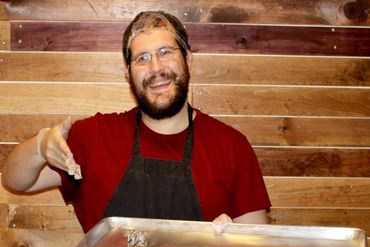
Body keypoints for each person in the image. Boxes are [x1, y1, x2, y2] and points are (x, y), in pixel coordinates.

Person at [2, 11, 271, 233]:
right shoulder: (93, 137)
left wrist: (230, 245)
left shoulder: (231, 146)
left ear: (187, 60)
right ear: (128, 73)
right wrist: (39, 147)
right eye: (142, 58)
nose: (155, 68)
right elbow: (14, 180)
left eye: (165, 52)